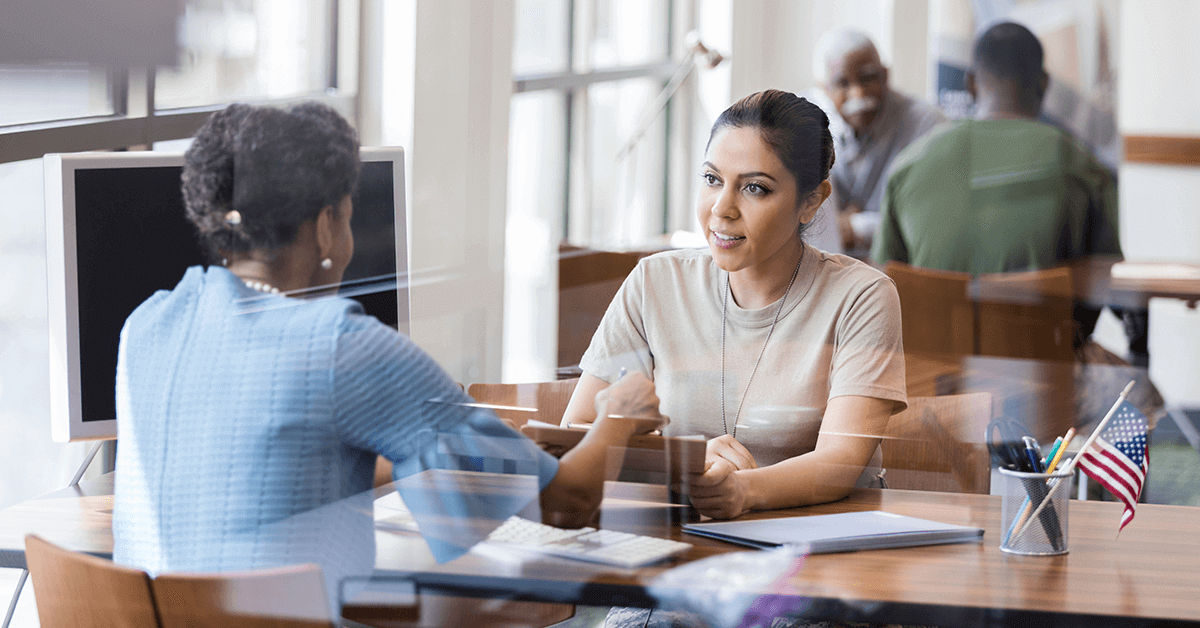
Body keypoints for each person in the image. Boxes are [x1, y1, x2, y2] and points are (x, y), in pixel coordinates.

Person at [112, 102, 663, 586]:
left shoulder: (147, 324)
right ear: (326, 227)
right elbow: (563, 505)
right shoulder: (341, 345)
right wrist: (615, 419)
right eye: (349, 216)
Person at [561, 89, 908, 522]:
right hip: (685, 537)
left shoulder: (862, 295)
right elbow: (576, 434)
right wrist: (685, 461)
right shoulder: (655, 282)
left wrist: (743, 490)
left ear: (811, 201)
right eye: (711, 179)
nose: (722, 209)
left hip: (822, 549)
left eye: (755, 188)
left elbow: (840, 461)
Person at [871, 21, 1120, 275]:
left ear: (970, 84)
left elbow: (884, 278)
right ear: (1044, 84)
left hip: (934, 315)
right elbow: (1110, 281)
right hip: (1042, 316)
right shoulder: (1081, 165)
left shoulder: (907, 166)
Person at [807, 29, 945, 253]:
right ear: (824, 88)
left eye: (868, 78)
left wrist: (856, 227)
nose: (858, 94)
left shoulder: (926, 124)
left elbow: (933, 221)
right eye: (843, 83)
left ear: (886, 74)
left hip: (898, 271)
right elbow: (798, 223)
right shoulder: (803, 121)